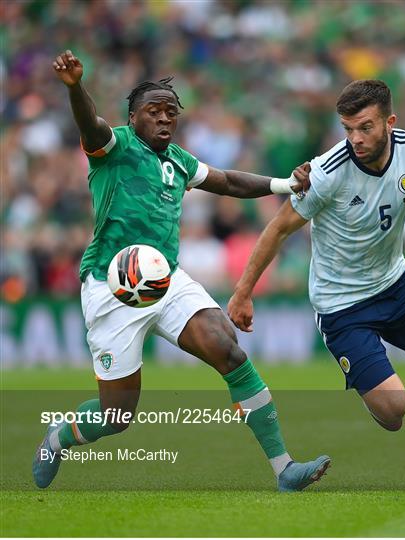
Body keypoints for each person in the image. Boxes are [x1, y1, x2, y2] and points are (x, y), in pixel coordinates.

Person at [32, 50, 330, 492]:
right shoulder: (113, 147)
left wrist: (282, 185)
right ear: (133, 118)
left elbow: (227, 181)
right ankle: (57, 438)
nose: (165, 118)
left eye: (171, 112)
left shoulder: (179, 161)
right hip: (112, 287)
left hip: (165, 278)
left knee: (227, 348)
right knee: (117, 417)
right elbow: (89, 125)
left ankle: (284, 468)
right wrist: (76, 87)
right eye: (154, 111)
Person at [228, 80, 405, 487]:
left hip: (396, 283)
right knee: (394, 410)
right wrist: (242, 292)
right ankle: (371, 386)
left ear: (389, 121)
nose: (355, 139)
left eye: (364, 127)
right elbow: (277, 229)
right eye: (347, 129)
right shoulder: (327, 173)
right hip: (342, 305)